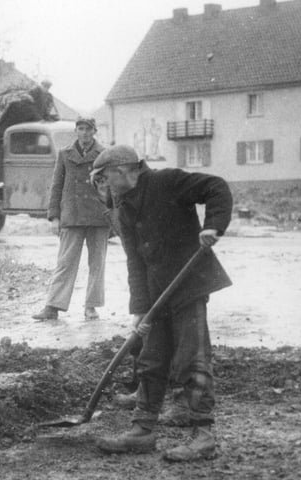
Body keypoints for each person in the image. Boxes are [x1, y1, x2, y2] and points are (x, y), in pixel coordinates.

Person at [90, 145, 232, 462]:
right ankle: (142, 431)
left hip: (188, 286)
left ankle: (202, 436)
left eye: (104, 177)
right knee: (151, 361)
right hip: (157, 295)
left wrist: (213, 225)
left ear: (125, 169)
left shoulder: (167, 181)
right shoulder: (124, 208)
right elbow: (135, 263)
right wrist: (139, 309)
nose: (104, 185)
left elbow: (216, 187)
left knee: (191, 360)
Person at [33, 117, 110, 321]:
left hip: (98, 216)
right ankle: (53, 307)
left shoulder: (104, 155)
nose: (84, 133)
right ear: (76, 131)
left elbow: (111, 187)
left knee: (97, 263)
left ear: (94, 131)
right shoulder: (65, 154)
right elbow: (56, 186)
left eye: (88, 129)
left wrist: (114, 216)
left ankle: (91, 306)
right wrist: (54, 217)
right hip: (72, 215)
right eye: (81, 129)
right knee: (65, 262)